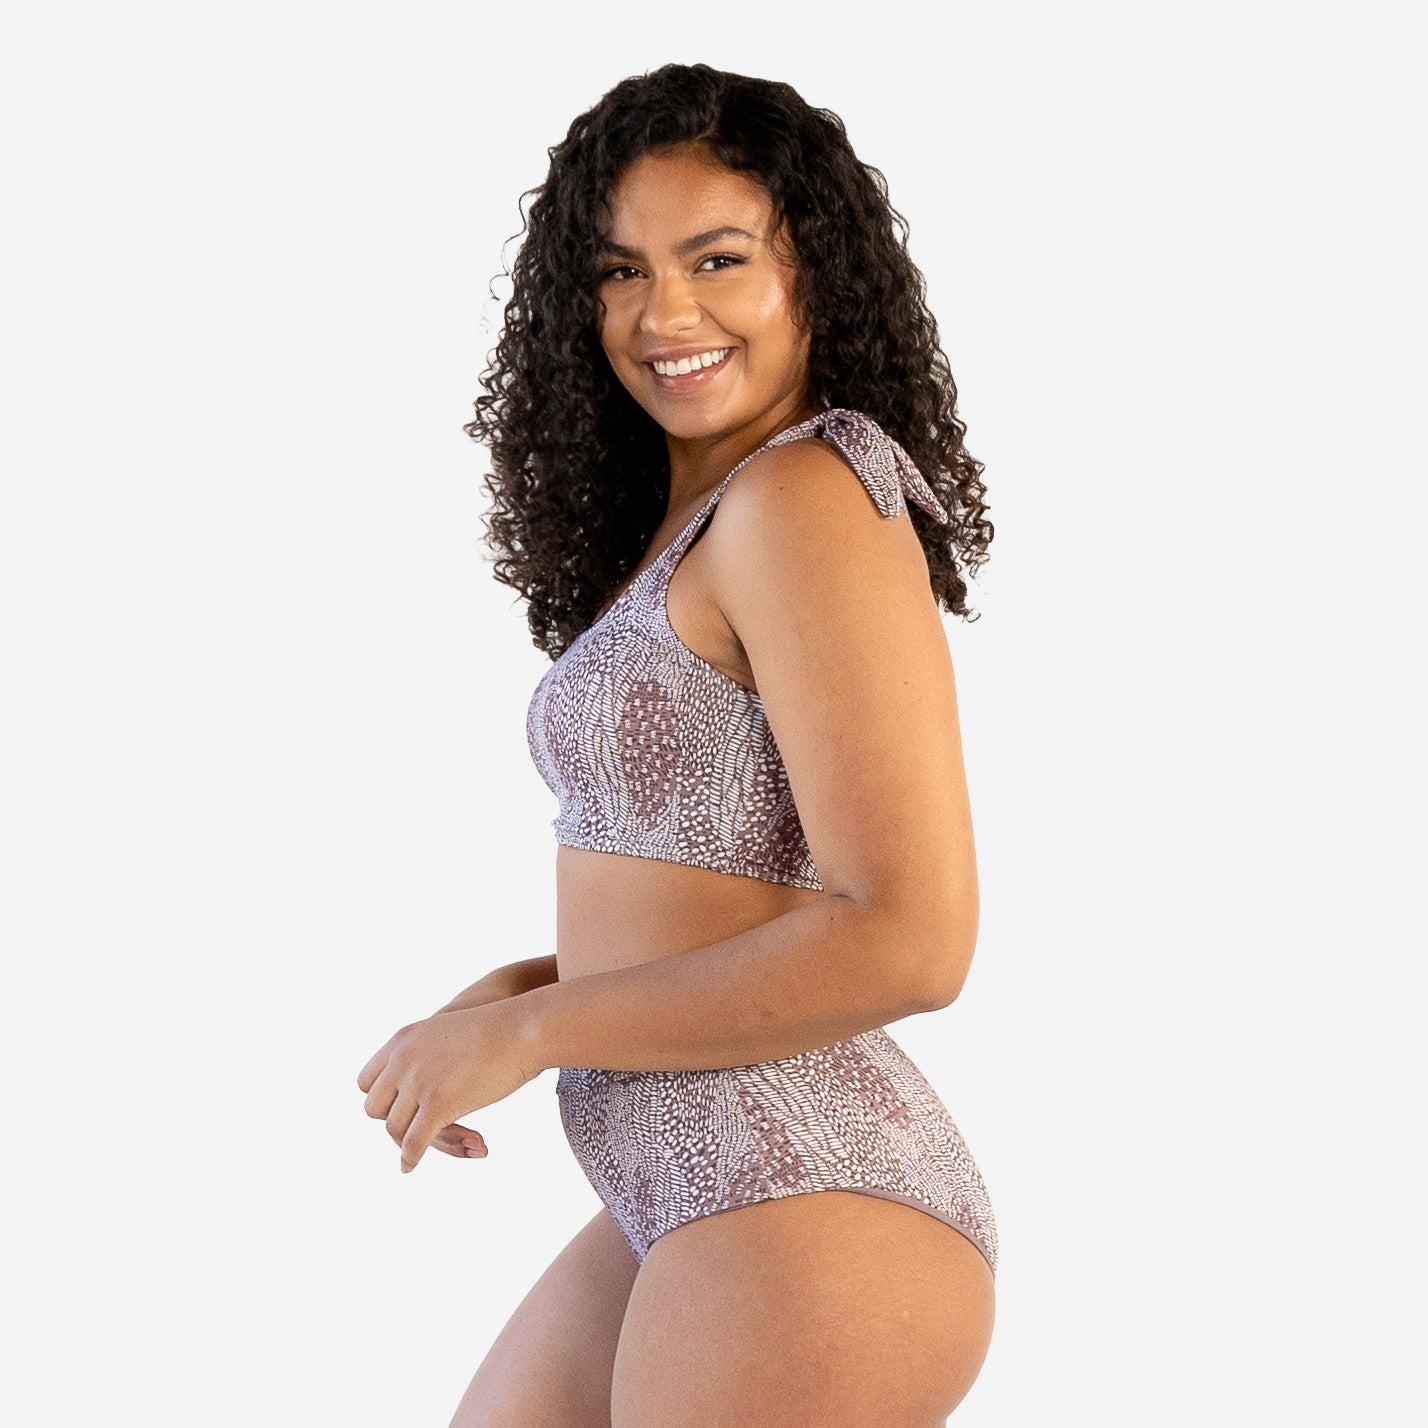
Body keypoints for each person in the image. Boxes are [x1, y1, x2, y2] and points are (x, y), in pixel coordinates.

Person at [357, 62, 998, 1427]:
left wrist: (537, 1029)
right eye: (621, 271)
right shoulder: (709, 520)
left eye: (718, 260)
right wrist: (519, 987)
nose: (665, 315)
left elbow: (912, 938)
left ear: (814, 270)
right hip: (687, 1191)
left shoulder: (807, 495)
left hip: (803, 1192)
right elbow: (732, 893)